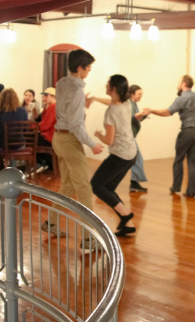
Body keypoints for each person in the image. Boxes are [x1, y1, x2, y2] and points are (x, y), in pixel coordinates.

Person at [40, 49, 103, 254]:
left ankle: (50, 223)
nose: (90, 71)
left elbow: (68, 112)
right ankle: (88, 239)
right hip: (69, 139)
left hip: (59, 139)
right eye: (88, 67)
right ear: (79, 67)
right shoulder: (76, 91)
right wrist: (92, 143)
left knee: (68, 185)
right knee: (84, 188)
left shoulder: (61, 83)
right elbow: (76, 125)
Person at [140, 75, 195, 197]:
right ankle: (191, 191)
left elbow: (168, 112)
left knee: (179, 159)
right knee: (193, 161)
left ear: (184, 84)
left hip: (188, 131)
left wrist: (152, 111)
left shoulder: (181, 98)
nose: (177, 84)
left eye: (178, 82)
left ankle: (176, 187)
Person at [89, 75, 138, 236]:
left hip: (120, 155)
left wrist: (97, 135)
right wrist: (95, 98)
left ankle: (126, 215)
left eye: (108, 84)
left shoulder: (111, 112)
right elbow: (112, 102)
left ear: (114, 89)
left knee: (96, 185)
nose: (106, 86)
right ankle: (128, 225)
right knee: (108, 188)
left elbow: (109, 140)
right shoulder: (127, 103)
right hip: (131, 154)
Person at [0, 88, 28, 170]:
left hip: (3, 145)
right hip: (19, 145)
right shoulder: (23, 111)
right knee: (14, 143)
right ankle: (13, 171)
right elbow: (26, 129)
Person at [129, 85, 148, 192]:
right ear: (132, 94)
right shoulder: (128, 104)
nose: (141, 96)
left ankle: (134, 183)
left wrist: (143, 115)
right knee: (137, 159)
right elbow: (130, 117)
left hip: (130, 137)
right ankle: (134, 183)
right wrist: (139, 114)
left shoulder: (134, 104)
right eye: (139, 94)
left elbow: (135, 118)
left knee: (134, 159)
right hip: (127, 137)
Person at [36, 87, 57, 172]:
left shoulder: (53, 107)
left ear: (53, 96)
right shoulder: (50, 107)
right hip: (53, 136)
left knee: (29, 141)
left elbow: (45, 125)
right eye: (43, 96)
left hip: (50, 137)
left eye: (46, 96)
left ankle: (39, 164)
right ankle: (45, 163)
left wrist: (33, 126)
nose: (43, 98)